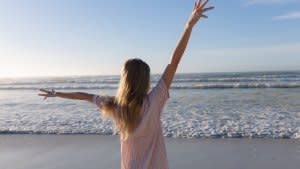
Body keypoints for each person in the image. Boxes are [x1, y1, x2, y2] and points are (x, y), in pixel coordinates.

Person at [38, 0, 213, 168]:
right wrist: (189, 25)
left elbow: (84, 96)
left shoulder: (113, 106)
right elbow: (174, 62)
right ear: (145, 80)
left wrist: (57, 94)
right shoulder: (154, 101)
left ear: (124, 80)